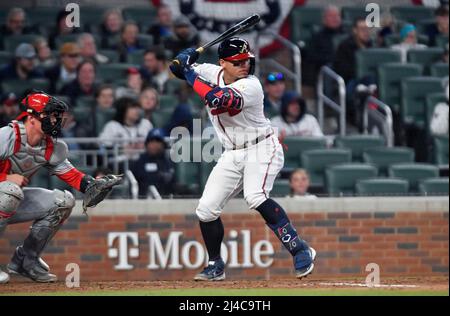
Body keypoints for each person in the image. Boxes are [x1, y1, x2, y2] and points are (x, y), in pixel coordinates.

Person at [169, 37, 316, 281]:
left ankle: (300, 249)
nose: (244, 66)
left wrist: (188, 72)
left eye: (246, 61)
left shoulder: (251, 85)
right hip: (232, 151)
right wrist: (184, 59)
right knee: (206, 210)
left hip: (262, 147)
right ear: (223, 63)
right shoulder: (210, 72)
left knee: (255, 196)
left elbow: (217, 99)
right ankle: (215, 264)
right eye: (237, 62)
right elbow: (176, 68)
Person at [0, 91, 115, 283]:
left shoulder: (49, 145)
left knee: (63, 201)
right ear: (32, 118)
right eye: (50, 115)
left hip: (7, 198)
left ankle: (26, 260)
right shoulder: (7, 136)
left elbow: (72, 175)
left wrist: (93, 186)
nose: (55, 120)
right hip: (6, 193)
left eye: (56, 116)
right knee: (10, 191)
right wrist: (5, 177)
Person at [303, 5, 344, 87]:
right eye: (331, 16)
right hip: (325, 70)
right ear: (324, 20)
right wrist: (332, 59)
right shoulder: (317, 37)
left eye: (337, 16)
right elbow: (312, 57)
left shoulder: (347, 35)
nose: (335, 18)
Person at [130, 128, 175, 198]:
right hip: (143, 202)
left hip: (165, 202)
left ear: (163, 144)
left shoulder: (168, 163)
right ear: (147, 144)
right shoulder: (139, 163)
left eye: (158, 141)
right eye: (152, 141)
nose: (155, 144)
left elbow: (172, 184)